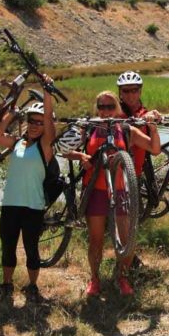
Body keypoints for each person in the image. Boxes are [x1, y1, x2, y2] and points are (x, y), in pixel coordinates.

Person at [69, 91, 159, 295]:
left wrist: (152, 126)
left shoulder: (126, 130)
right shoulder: (89, 128)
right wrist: (79, 155)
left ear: (117, 108)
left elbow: (154, 149)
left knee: (126, 238)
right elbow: (63, 149)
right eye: (101, 107)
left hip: (121, 190)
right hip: (95, 190)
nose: (106, 111)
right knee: (96, 239)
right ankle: (94, 279)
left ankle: (122, 277)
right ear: (97, 108)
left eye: (110, 107)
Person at [0, 81, 56, 306]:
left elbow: (48, 119)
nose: (36, 125)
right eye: (32, 121)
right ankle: (7, 284)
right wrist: (12, 114)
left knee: (31, 249)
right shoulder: (18, 142)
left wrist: (47, 93)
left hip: (33, 206)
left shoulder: (46, 146)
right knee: (7, 247)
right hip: (10, 204)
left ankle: (33, 286)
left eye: (39, 122)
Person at [114, 71, 162, 272]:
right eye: (126, 91)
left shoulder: (144, 112)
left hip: (136, 174)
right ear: (121, 93)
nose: (131, 95)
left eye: (135, 90)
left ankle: (127, 261)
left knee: (131, 220)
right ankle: (126, 265)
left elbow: (155, 147)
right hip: (117, 176)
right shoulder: (115, 112)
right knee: (123, 220)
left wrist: (154, 122)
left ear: (140, 90)